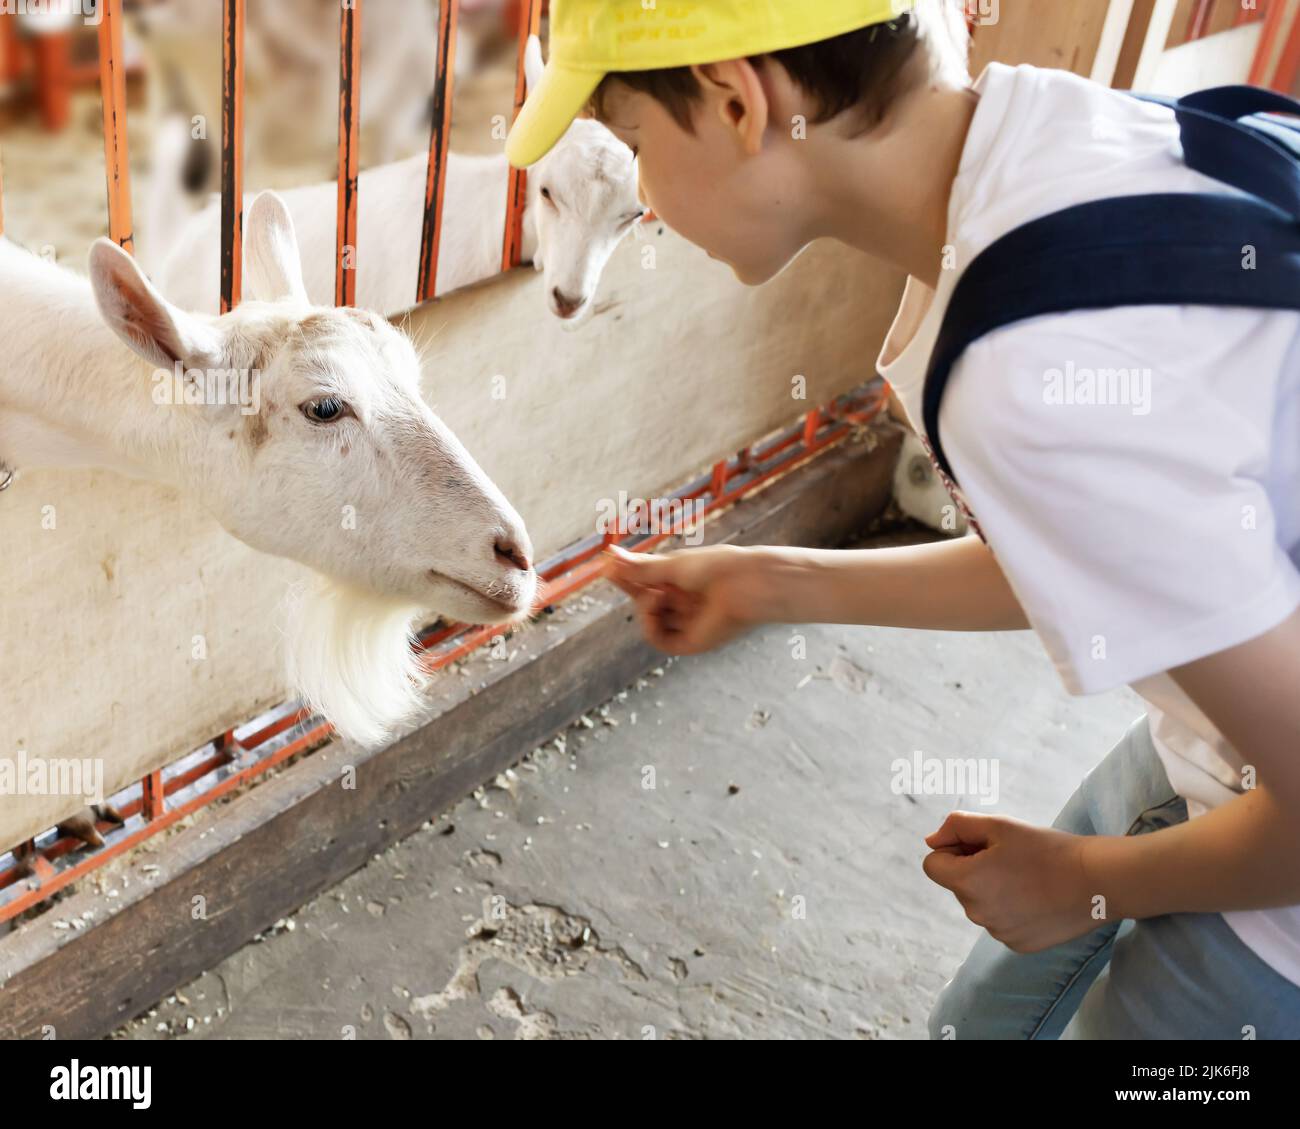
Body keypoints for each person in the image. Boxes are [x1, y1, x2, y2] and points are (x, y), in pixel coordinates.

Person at [506, 0, 1300, 1038]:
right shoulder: (1063, 151)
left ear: (737, 100)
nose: (645, 197)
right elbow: (1111, 557)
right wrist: (776, 581)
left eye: (636, 143)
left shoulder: (1030, 371)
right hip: (1231, 736)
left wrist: (1088, 884)